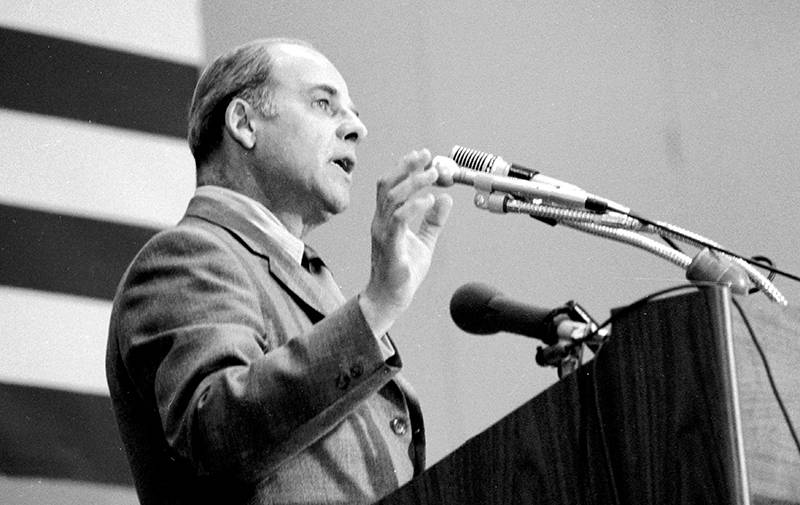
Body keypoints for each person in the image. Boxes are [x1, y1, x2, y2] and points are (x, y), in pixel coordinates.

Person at [106, 38, 452, 505]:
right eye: (324, 104)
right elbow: (217, 431)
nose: (357, 128)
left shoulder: (305, 276)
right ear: (244, 123)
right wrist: (375, 309)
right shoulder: (186, 256)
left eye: (351, 111)